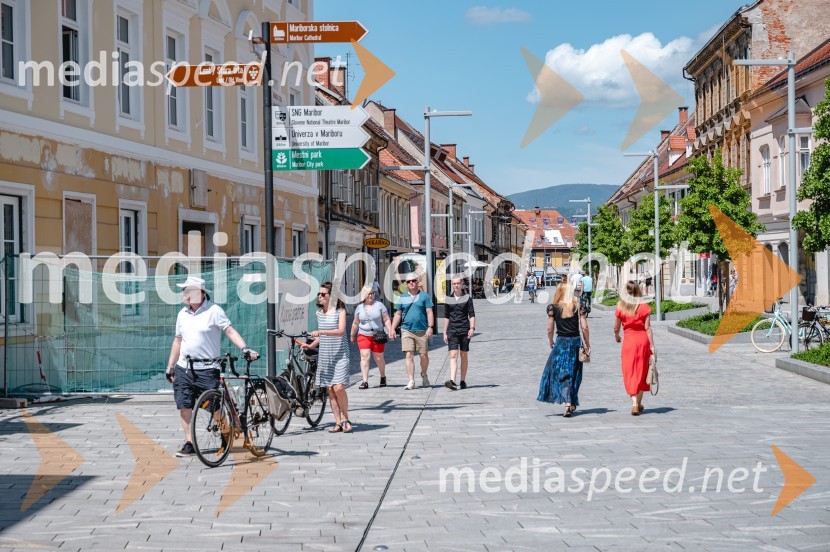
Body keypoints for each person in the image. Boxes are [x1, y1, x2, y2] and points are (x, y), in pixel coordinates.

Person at [165, 276, 259, 457]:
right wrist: (170, 366)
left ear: (199, 292)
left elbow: (229, 330)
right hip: (184, 368)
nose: (184, 294)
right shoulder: (182, 314)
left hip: (207, 369)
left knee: (214, 407)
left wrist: (244, 348)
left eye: (187, 290)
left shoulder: (214, 310)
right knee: (184, 405)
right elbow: (178, 340)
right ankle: (189, 442)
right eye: (183, 291)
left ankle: (227, 434)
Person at [537, 282, 589, 417]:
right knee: (574, 373)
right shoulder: (578, 307)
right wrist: (587, 344)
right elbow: (584, 327)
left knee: (561, 373)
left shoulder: (553, 308)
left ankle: (568, 402)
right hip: (575, 343)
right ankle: (570, 402)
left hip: (561, 343)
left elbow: (549, 329)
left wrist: (550, 340)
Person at [306, 282, 352, 433]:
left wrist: (321, 332)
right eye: (319, 294)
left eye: (323, 294)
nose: (319, 296)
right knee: (330, 390)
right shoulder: (319, 314)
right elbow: (322, 335)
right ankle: (338, 422)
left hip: (340, 355)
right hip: (325, 355)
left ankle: (345, 418)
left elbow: (340, 331)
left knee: (339, 387)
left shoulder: (340, 311)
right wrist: (312, 345)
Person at [614, 281, 655, 416]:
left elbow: (616, 327)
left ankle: (634, 403)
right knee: (642, 371)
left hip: (629, 341)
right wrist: (652, 347)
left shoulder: (621, 306)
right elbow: (647, 328)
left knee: (630, 371)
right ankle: (638, 402)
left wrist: (617, 335)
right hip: (642, 341)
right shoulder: (644, 307)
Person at [392, 273, 435, 390]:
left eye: (413, 281)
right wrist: (392, 328)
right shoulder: (402, 297)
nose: (411, 283)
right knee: (409, 354)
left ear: (417, 282)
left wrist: (430, 327)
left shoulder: (424, 296)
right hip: (406, 330)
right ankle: (411, 380)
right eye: (408, 281)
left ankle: (424, 374)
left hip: (422, 330)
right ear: (406, 284)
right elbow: (398, 314)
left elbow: (429, 312)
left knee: (423, 356)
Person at [350, 285, 396, 389]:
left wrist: (390, 330)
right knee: (365, 356)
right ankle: (365, 381)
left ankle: (383, 376)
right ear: (364, 296)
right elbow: (355, 323)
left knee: (379, 358)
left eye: (372, 293)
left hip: (378, 335)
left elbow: (386, 319)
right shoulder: (359, 308)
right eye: (368, 293)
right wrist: (352, 334)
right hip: (363, 335)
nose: (370, 295)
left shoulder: (379, 305)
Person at [443, 277, 476, 390]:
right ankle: (452, 380)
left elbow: (471, 314)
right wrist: (444, 332)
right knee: (453, 355)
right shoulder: (449, 299)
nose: (456, 285)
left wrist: (472, 328)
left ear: (461, 284)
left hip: (464, 329)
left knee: (463, 355)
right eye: (454, 284)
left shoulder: (467, 298)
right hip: (452, 330)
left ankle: (462, 380)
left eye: (457, 283)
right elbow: (446, 316)